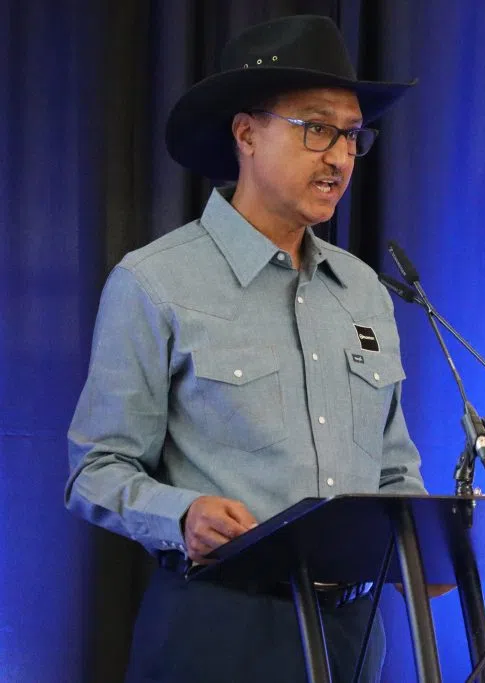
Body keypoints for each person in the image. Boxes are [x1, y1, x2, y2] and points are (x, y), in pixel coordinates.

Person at [65, 14, 426, 682]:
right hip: (221, 630)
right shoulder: (155, 282)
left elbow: (394, 472)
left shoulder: (366, 293)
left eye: (352, 135)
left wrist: (429, 548)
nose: (340, 156)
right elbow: (94, 468)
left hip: (355, 636)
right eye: (317, 127)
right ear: (246, 134)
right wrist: (182, 514)